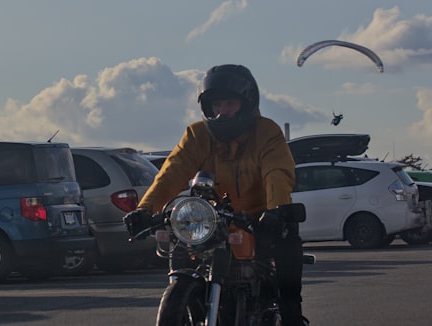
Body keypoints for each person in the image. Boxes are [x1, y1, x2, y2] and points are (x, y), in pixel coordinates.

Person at [124, 64, 307, 326]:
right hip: (213, 219)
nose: (223, 111)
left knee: (287, 257)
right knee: (182, 252)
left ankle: (291, 318)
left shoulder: (267, 132)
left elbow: (277, 171)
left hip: (260, 218)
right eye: (218, 104)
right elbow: (173, 171)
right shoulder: (198, 134)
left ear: (246, 103)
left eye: (230, 103)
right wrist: (146, 208)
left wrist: (277, 209)